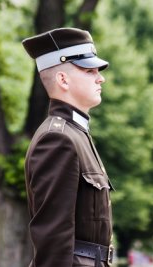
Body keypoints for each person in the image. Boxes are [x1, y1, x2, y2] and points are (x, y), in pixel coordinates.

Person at [22, 27, 114, 267]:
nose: (100, 77)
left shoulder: (76, 134)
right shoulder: (57, 139)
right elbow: (52, 240)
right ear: (63, 79)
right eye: (89, 70)